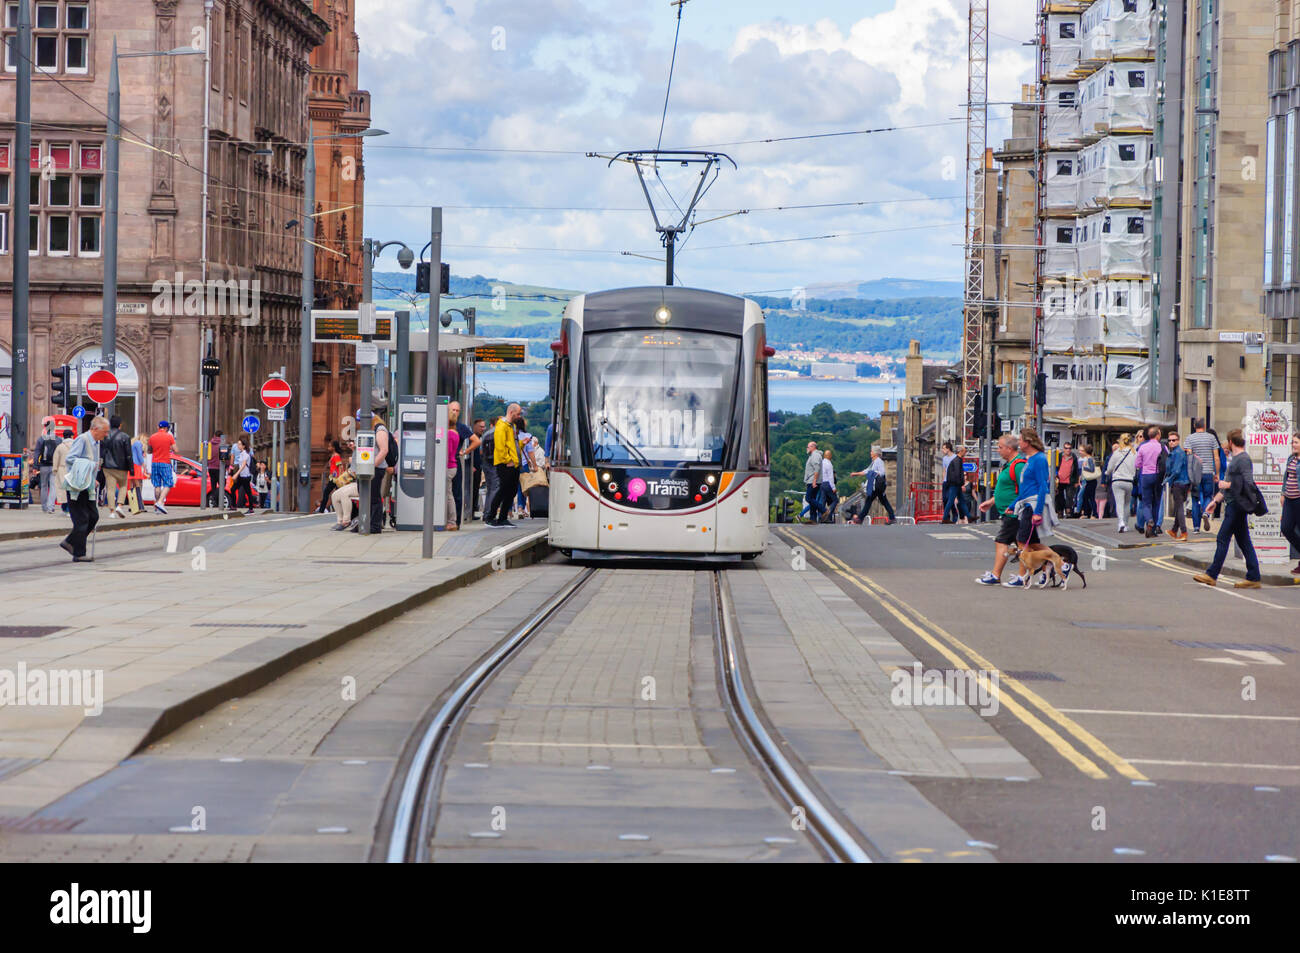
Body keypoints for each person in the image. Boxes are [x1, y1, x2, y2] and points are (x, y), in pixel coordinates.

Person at [1194, 429, 1263, 589]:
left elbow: (1248, 483)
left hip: (1237, 506)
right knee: (1244, 541)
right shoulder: (1237, 459)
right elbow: (1229, 488)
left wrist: (1228, 484)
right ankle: (1254, 577)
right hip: (1233, 503)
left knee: (1222, 538)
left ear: (1231, 442)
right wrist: (1215, 501)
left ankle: (1211, 575)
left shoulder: (1243, 459)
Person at [976, 433, 1045, 585]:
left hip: (1016, 513)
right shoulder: (1009, 465)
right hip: (1011, 511)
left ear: (1008, 448)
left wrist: (1016, 507)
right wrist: (992, 501)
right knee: (1029, 545)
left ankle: (997, 575)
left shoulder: (1018, 465)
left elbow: (1025, 490)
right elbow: (1006, 488)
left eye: (1000, 447)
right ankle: (1054, 565)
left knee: (1003, 541)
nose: (998, 450)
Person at [1003, 427, 1060, 588]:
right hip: (1025, 502)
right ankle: (1061, 564)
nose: (1018, 443)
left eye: (1020, 440)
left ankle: (1023, 577)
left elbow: (1043, 486)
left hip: (1033, 505)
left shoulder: (1040, 459)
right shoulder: (1029, 459)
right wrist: (1013, 505)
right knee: (1033, 543)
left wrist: (1037, 512)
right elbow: (1025, 488)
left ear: (1027, 442)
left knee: (1022, 542)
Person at [59, 416, 109, 562]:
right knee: (82, 519)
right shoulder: (82, 439)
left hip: (88, 485)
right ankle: (79, 553)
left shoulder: (96, 443)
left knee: (93, 516)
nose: (106, 435)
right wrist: (90, 465)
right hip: (77, 486)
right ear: (95, 429)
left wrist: (93, 479)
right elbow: (70, 459)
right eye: (104, 432)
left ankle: (70, 542)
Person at [486, 404, 523, 527]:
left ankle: (502, 518)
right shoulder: (502, 427)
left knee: (511, 491)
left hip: (512, 463)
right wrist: (508, 460)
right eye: (518, 414)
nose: (519, 416)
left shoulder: (511, 426)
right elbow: (500, 446)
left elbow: (512, 444)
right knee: (503, 490)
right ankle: (490, 517)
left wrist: (522, 444)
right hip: (506, 464)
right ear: (511, 412)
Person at [1184, 419, 1220, 533]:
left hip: (1196, 473)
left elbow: (1189, 456)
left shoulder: (1190, 438)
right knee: (1208, 495)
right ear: (1204, 425)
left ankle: (1195, 528)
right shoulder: (1211, 438)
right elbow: (1216, 457)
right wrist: (1217, 473)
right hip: (1208, 472)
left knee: (1195, 499)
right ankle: (1205, 512)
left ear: (1194, 426)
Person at [449, 401, 479, 525]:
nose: (455, 413)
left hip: (455, 460)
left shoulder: (460, 427)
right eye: (453, 410)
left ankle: (456, 521)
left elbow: (476, 441)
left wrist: (465, 451)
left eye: (457, 410)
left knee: (456, 492)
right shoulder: (442, 424)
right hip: (443, 462)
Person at [849, 447, 895, 524]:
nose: (870, 453)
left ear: (875, 453)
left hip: (877, 486)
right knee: (883, 501)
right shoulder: (874, 462)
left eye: (872, 452)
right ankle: (892, 517)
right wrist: (855, 474)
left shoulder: (878, 461)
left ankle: (860, 518)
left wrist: (874, 473)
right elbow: (867, 471)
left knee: (869, 500)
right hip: (877, 486)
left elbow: (882, 472)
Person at [1134, 425, 1164, 537]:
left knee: (1146, 503)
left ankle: (1149, 520)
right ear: (1158, 435)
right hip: (1158, 476)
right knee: (1156, 503)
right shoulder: (1162, 447)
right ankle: (1154, 528)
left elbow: (1137, 464)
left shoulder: (1142, 447)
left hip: (1146, 476)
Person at [100, 415, 133, 519]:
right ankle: (119, 505)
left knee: (110, 489)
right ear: (120, 425)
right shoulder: (125, 437)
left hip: (108, 466)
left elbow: (102, 451)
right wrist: (131, 468)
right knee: (123, 486)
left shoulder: (105, 436)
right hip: (122, 466)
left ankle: (111, 511)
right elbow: (128, 454)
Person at [1163, 430, 1190, 541]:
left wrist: (1166, 480)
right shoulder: (1176, 452)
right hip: (1183, 483)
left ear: (1178, 441)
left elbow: (1176, 470)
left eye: (1174, 440)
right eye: (1169, 440)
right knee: (1179, 507)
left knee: (1179, 508)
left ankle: (1183, 532)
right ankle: (1174, 530)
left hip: (1179, 483)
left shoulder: (1178, 453)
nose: (1171, 442)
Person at [1105, 433, 1136, 533]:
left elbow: (1109, 468)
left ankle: (1121, 522)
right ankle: (1126, 525)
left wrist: (1107, 472)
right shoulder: (1134, 452)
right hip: (1129, 481)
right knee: (1127, 503)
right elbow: (1137, 466)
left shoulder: (1117, 452)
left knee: (1119, 503)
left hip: (1117, 481)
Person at [370, 411, 394, 533]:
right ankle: (371, 523)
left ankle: (375, 525)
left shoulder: (380, 430)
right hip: (373, 468)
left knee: (375, 497)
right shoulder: (374, 429)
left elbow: (384, 450)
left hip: (377, 468)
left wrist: (372, 466)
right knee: (372, 497)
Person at [148, 421, 177, 514]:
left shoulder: (152, 437)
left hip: (154, 463)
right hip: (165, 462)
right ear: (167, 428)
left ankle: (157, 507)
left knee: (157, 485)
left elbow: (149, 450)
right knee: (169, 483)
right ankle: (160, 502)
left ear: (158, 427)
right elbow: (176, 449)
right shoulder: (169, 437)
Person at [1281, 433, 1300, 576]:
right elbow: (1286, 477)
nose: (1293, 445)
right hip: (1289, 498)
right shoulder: (1291, 458)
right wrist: (1283, 493)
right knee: (1286, 528)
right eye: (1292, 442)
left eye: (1296, 442)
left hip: (1299, 499)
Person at [34, 422, 59, 514]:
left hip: (43, 466)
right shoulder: (58, 439)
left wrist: (35, 466)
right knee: (53, 486)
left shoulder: (41, 439)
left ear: (45, 428)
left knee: (44, 486)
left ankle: (44, 507)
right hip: (54, 466)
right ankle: (50, 507)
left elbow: (37, 453)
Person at [329, 454, 359, 531]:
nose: (350, 444)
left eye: (352, 443)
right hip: (355, 483)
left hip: (363, 484)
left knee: (344, 494)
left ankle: (346, 520)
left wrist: (353, 464)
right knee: (335, 495)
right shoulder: (355, 452)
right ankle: (340, 520)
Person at [51, 428, 75, 514]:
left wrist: (55, 470)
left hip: (62, 469)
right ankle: (71, 509)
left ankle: (65, 509)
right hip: (73, 469)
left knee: (62, 490)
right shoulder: (76, 445)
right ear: (72, 436)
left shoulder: (60, 447)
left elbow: (56, 459)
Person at [1055, 441, 1080, 518]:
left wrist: (1076, 481)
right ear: (1063, 449)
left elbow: (1076, 470)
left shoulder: (1074, 457)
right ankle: (1060, 511)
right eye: (1066, 448)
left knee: (1070, 496)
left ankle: (1068, 510)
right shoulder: (1059, 456)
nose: (1068, 450)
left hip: (1070, 480)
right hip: (1059, 480)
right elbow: (1055, 467)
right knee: (1059, 497)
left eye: (1069, 448)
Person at [940, 441, 963, 523]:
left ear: (948, 449)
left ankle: (949, 517)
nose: (942, 450)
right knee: (945, 499)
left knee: (950, 499)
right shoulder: (944, 458)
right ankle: (949, 516)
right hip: (946, 482)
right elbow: (944, 470)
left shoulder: (955, 457)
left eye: (943, 448)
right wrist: (943, 480)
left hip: (953, 482)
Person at [801, 442, 823, 523]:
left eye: (808, 447)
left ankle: (823, 510)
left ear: (813, 447)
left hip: (813, 481)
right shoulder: (813, 455)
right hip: (811, 480)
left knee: (808, 498)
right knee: (812, 499)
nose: (807, 448)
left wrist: (814, 481)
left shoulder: (815, 455)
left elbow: (817, 468)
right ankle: (813, 519)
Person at [319, 440, 344, 513]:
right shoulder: (333, 456)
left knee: (326, 492)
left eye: (330, 446)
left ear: (334, 447)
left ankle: (321, 510)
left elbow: (340, 467)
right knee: (339, 493)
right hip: (334, 478)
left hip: (335, 479)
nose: (328, 448)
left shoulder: (336, 456)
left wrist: (339, 478)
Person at [1076, 443, 1100, 519]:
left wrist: (1084, 467)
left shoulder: (1089, 459)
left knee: (1090, 497)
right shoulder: (1091, 458)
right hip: (1090, 480)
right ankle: (1087, 513)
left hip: (1090, 481)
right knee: (1086, 496)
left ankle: (1094, 514)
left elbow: (1092, 469)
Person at [445, 419, 461, 531]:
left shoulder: (449, 434)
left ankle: (451, 521)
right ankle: (451, 521)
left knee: (448, 494)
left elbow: (448, 451)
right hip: (453, 465)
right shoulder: (455, 433)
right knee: (449, 493)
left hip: (448, 466)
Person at [818, 447, 838, 523]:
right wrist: (833, 487)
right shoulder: (829, 464)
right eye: (831, 455)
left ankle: (820, 517)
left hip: (822, 484)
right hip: (827, 484)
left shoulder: (821, 463)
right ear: (829, 456)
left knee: (823, 501)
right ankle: (828, 515)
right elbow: (830, 477)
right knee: (835, 500)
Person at [205, 430, 224, 507]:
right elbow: (224, 456)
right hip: (219, 467)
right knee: (222, 484)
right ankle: (219, 500)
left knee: (213, 485)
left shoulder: (209, 444)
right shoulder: (222, 444)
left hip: (211, 467)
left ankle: (214, 501)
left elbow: (206, 456)